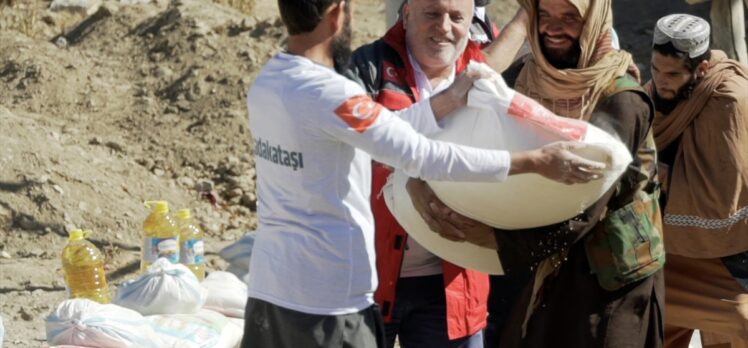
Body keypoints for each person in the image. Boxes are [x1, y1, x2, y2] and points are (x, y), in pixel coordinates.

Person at [240, 0, 605, 347]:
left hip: (271, 290)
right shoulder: (334, 93)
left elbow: (386, 133)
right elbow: (420, 154)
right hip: (329, 303)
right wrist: (534, 161)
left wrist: (447, 100)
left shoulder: (270, 81)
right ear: (338, 13)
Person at [407, 0, 666, 346]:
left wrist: (493, 240)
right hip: (535, 263)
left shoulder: (621, 99)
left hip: (606, 280)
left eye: (570, 18)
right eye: (544, 15)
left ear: (594, 22)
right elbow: (470, 130)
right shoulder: (523, 77)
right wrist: (421, 182)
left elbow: (585, 209)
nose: (553, 28)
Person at [343, 0, 517, 346]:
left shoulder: (485, 77)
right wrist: (448, 102)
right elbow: (352, 149)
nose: (445, 27)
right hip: (366, 280)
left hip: (452, 286)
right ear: (406, 15)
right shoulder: (366, 68)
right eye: (432, 14)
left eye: (456, 17)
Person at [645, 13, 748, 348]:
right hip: (667, 250)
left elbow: (721, 195)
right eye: (656, 69)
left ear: (701, 70)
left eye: (672, 74)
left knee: (739, 325)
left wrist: (662, 176)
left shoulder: (728, 100)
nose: (661, 81)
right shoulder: (658, 93)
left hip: (723, 254)